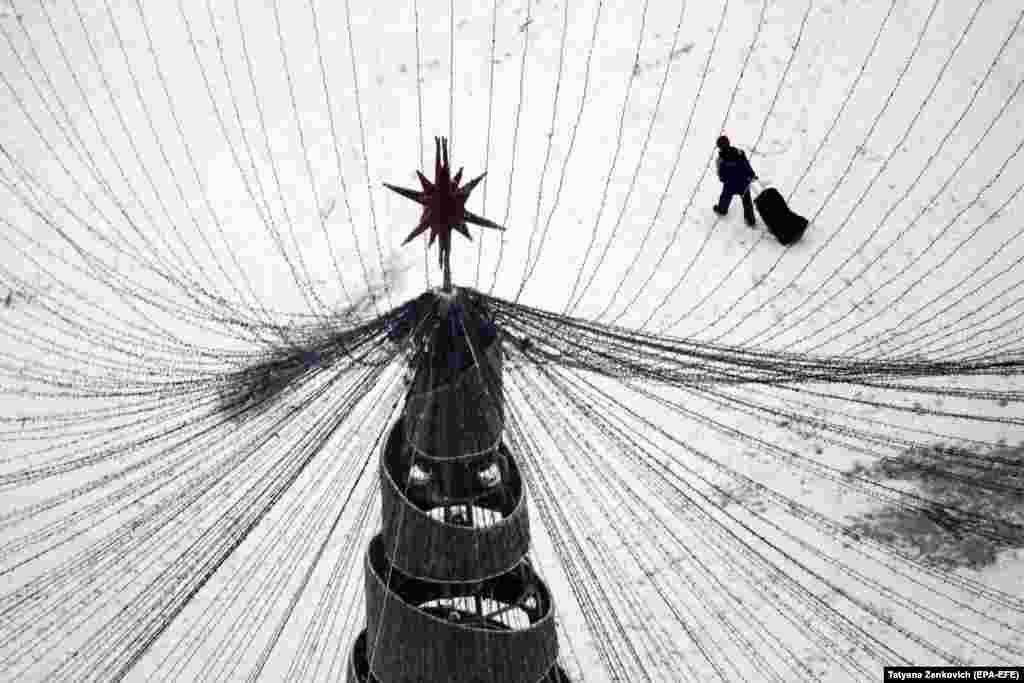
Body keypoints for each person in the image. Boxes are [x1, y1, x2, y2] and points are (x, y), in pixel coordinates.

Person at [713, 135, 758, 227]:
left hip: (730, 184)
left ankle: (722, 210)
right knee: (747, 201)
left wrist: (723, 179)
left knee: (725, 197)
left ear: (719, 147)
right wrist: (751, 175)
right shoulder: (740, 152)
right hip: (743, 182)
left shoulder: (720, 159)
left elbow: (720, 173)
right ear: (729, 143)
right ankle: (750, 220)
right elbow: (746, 165)